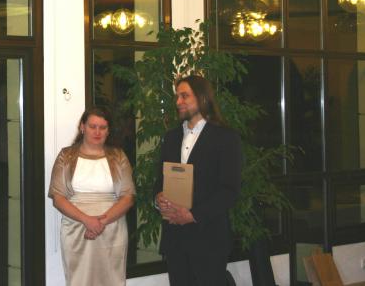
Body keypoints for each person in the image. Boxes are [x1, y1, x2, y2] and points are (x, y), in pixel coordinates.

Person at [154, 75, 242, 285]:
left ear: (202, 98)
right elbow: (158, 181)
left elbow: (229, 191)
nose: (178, 102)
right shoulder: (171, 137)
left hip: (209, 239)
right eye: (177, 97)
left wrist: (192, 215)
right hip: (175, 240)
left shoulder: (226, 138)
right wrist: (158, 199)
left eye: (185, 96)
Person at [48, 107, 135, 286]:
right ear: (82, 127)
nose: (97, 132)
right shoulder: (66, 155)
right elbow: (58, 197)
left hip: (112, 229)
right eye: (92, 126)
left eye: (102, 127)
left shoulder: (119, 156)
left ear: (108, 130)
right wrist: (87, 220)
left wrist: (100, 222)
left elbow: (128, 197)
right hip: (76, 228)